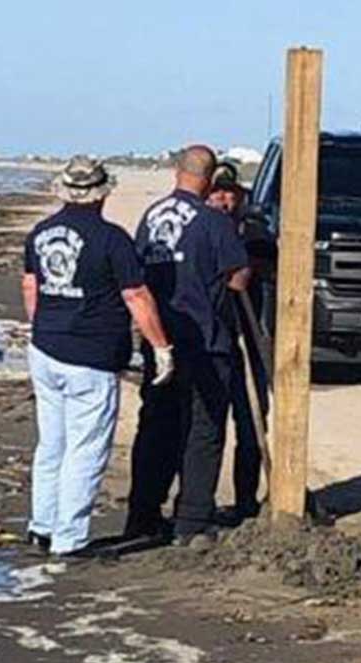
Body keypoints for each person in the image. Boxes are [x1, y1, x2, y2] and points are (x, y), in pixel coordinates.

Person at [22, 155, 173, 558]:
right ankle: (68, 538)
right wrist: (161, 347)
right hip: (91, 355)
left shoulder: (40, 232)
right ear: (102, 193)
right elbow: (136, 296)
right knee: (85, 448)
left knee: (52, 442)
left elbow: (31, 288)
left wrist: (47, 326)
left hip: (46, 347)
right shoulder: (112, 239)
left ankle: (42, 524)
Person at [125, 145, 250, 546]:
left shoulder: (151, 216)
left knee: (157, 423)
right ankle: (192, 519)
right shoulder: (213, 222)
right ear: (210, 180)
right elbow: (238, 277)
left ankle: (143, 512)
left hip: (159, 335)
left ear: (177, 172)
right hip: (203, 337)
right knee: (204, 427)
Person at [207, 164, 265, 525]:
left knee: (252, 421)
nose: (225, 199)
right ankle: (200, 500)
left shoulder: (253, 232)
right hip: (212, 337)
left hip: (250, 335)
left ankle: (246, 500)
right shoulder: (200, 230)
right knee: (208, 424)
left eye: (231, 193)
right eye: (218, 192)